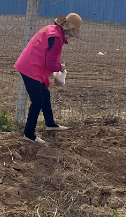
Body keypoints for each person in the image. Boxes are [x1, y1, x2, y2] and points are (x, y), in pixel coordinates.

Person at [13, 13, 82, 144]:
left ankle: (50, 123)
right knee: (38, 101)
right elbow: (49, 64)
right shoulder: (56, 38)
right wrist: (60, 68)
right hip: (30, 68)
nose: (72, 36)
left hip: (30, 64)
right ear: (68, 29)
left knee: (45, 93)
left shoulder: (51, 29)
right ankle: (29, 134)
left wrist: (56, 62)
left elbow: (45, 52)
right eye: (72, 33)